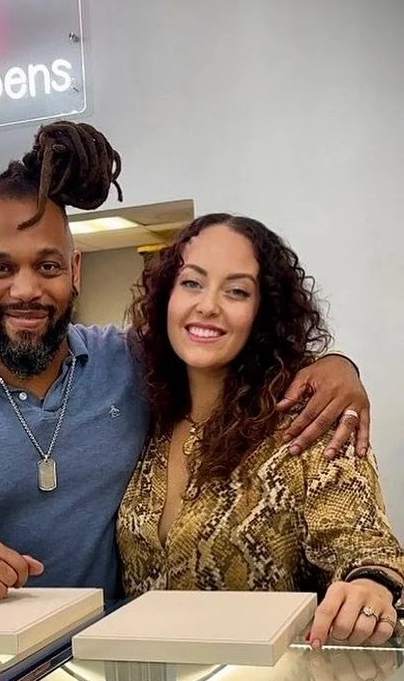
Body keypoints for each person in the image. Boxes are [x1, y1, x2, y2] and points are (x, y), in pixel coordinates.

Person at [0, 121, 369, 604]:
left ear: (75, 270)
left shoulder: (129, 360)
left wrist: (338, 366)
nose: (26, 289)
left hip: (115, 656)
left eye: (48, 265)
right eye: (0, 268)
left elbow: (224, 344)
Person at [117, 213, 403, 647]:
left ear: (263, 313)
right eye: (192, 283)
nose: (208, 305)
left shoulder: (310, 423)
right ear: (166, 298)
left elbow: (364, 546)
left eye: (236, 291)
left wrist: (370, 585)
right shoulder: (146, 416)